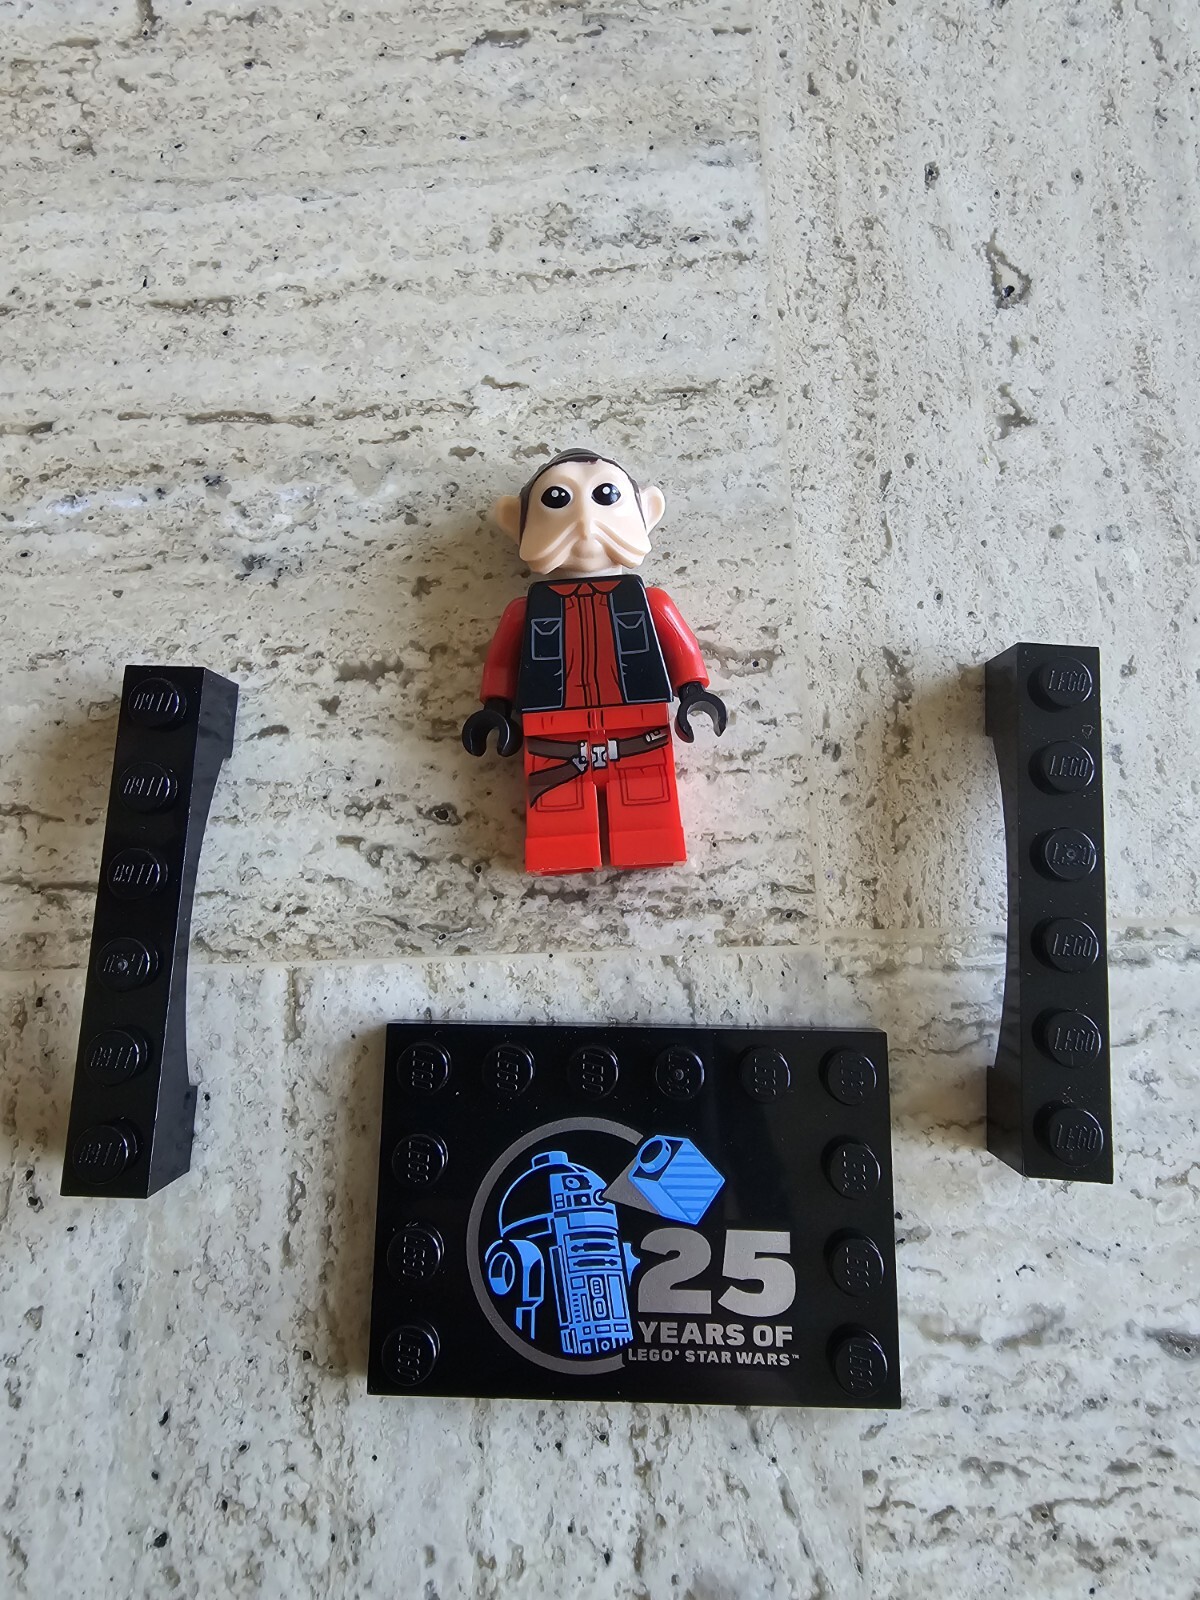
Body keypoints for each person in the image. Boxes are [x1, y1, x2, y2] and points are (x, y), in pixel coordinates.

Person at [462, 448, 727, 874]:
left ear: (648, 512)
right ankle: (563, 849)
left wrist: (693, 691)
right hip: (552, 728)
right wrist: (495, 707)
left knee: (648, 811)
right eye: (558, 499)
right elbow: (503, 664)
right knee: (558, 818)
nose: (585, 520)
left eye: (606, 495)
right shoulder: (523, 612)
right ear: (516, 523)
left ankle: (648, 842)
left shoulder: (651, 602)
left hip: (639, 721)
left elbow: (681, 647)